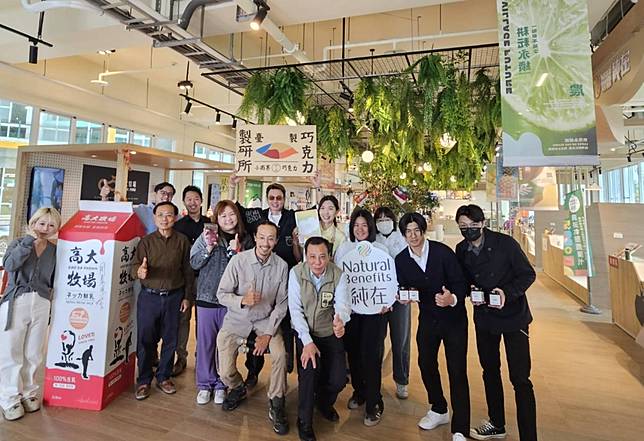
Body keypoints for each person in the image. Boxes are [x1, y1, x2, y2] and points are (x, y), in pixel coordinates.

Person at [454, 204, 537, 441]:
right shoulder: (461, 249)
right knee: (490, 370)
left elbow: (528, 274)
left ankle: (529, 436)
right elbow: (463, 279)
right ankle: (497, 423)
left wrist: (506, 293)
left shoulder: (506, 244)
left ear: (482, 224)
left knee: (520, 378)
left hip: (514, 317)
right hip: (484, 317)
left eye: (472, 225)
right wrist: (469, 291)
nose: (468, 230)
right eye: (463, 227)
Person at [396, 212, 470, 441]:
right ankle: (438, 408)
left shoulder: (442, 252)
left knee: (457, 370)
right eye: (408, 231)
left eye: (417, 230)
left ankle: (460, 427)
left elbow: (461, 282)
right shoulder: (401, 260)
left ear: (423, 230)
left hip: (454, 319)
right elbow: (403, 287)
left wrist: (453, 298)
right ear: (403, 234)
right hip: (428, 319)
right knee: (426, 363)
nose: (413, 235)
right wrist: (403, 297)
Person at [215, 220, 290, 435]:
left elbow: (282, 303)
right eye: (262, 237)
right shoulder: (239, 261)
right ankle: (237, 387)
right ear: (255, 237)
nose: (266, 243)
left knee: (279, 355)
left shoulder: (282, 266)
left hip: (266, 321)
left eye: (271, 238)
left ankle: (276, 401)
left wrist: (267, 333)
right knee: (224, 365)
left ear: (275, 241)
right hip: (237, 318)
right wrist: (242, 300)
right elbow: (221, 294)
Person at [228, 175, 301, 384]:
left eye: (279, 198)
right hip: (259, 275)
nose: (276, 201)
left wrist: (317, 188)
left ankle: (285, 363)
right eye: (272, 198)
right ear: (267, 199)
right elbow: (236, 210)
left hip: (285, 273)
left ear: (284, 199)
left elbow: (313, 214)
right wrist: (233, 186)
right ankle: (253, 370)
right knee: (256, 321)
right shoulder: (257, 216)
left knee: (285, 319)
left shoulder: (292, 216)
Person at [0, 207, 61, 421]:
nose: (45, 229)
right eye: (41, 223)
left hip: (42, 302)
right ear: (33, 223)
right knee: (11, 351)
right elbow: (9, 265)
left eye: (51, 225)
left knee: (34, 352)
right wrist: (28, 243)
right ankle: (8, 398)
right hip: (16, 301)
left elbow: (55, 279)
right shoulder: (19, 243)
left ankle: (29, 392)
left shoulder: (55, 250)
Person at [190, 200, 252, 406]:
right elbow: (194, 263)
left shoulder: (245, 239)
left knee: (225, 346)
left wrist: (237, 253)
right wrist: (208, 248)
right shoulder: (207, 235)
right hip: (207, 299)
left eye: (231, 214)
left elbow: (250, 272)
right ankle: (205, 384)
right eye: (223, 215)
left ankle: (221, 384)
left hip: (232, 302)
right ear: (217, 218)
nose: (228, 219)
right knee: (206, 343)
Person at [288, 236, 351, 441]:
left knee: (339, 379)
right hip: (305, 333)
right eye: (312, 257)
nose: (317, 262)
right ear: (305, 256)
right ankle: (304, 421)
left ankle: (323, 403)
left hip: (329, 332)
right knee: (308, 375)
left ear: (329, 256)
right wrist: (306, 342)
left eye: (322, 257)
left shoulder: (338, 274)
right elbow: (295, 311)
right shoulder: (296, 273)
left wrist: (340, 320)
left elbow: (343, 304)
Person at [131, 201, 194, 401]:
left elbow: (187, 271)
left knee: (171, 339)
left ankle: (164, 377)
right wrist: (138, 271)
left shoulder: (182, 241)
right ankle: (143, 380)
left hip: (174, 296)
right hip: (149, 297)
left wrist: (187, 297)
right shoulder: (146, 242)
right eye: (160, 215)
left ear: (175, 218)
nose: (165, 219)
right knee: (145, 340)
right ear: (154, 217)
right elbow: (134, 266)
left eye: (169, 215)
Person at [334, 209, 390, 427]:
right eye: (356, 225)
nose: (360, 229)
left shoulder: (381, 249)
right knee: (354, 354)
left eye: (364, 225)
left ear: (371, 227)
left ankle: (374, 402)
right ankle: (359, 392)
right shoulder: (344, 249)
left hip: (375, 313)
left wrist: (387, 301)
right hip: (352, 313)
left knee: (371, 356)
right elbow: (339, 279)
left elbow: (388, 278)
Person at [172, 185, 210, 377]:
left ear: (201, 201)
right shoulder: (178, 226)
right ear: (184, 201)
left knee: (203, 321)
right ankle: (181, 357)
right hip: (185, 279)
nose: (193, 202)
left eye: (196, 198)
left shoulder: (210, 224)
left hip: (205, 279)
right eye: (189, 199)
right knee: (183, 319)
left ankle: (201, 358)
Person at [374, 206, 410, 400]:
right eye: (379, 219)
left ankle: (402, 380)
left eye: (387, 218)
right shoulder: (372, 240)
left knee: (401, 340)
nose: (383, 222)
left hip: (400, 298)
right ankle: (374, 380)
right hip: (378, 298)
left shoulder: (402, 238)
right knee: (377, 340)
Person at [317, 195, 346, 260]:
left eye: (330, 209)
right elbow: (299, 257)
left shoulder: (341, 237)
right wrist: (295, 241)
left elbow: (340, 262)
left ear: (337, 212)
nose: (326, 212)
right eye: (322, 208)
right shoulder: (310, 229)